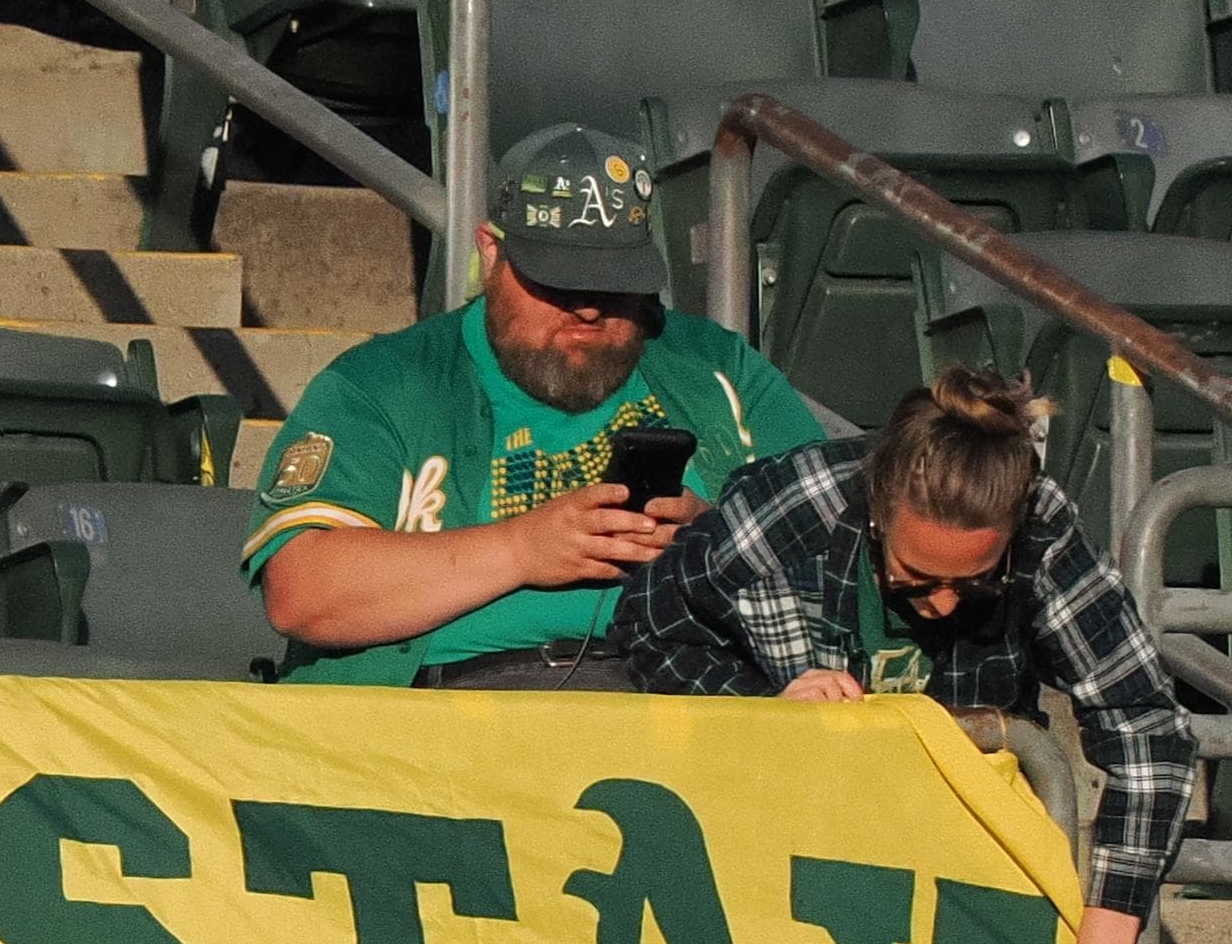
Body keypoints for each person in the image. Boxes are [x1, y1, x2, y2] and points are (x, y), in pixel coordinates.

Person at [614, 367, 1195, 944]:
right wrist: (762, 710)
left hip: (960, 856)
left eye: (975, 582)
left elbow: (1147, 728)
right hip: (781, 852)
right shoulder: (788, 507)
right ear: (878, 511)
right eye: (916, 580)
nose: (946, 606)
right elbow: (651, 627)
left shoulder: (1044, 527)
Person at [243, 124, 831, 688]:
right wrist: (522, 548)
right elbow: (302, 592)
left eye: (611, 283)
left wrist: (717, 543)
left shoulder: (716, 370)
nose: (586, 309)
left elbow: (849, 556)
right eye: (556, 281)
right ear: (490, 254)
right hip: (446, 723)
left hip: (689, 704)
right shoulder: (384, 384)